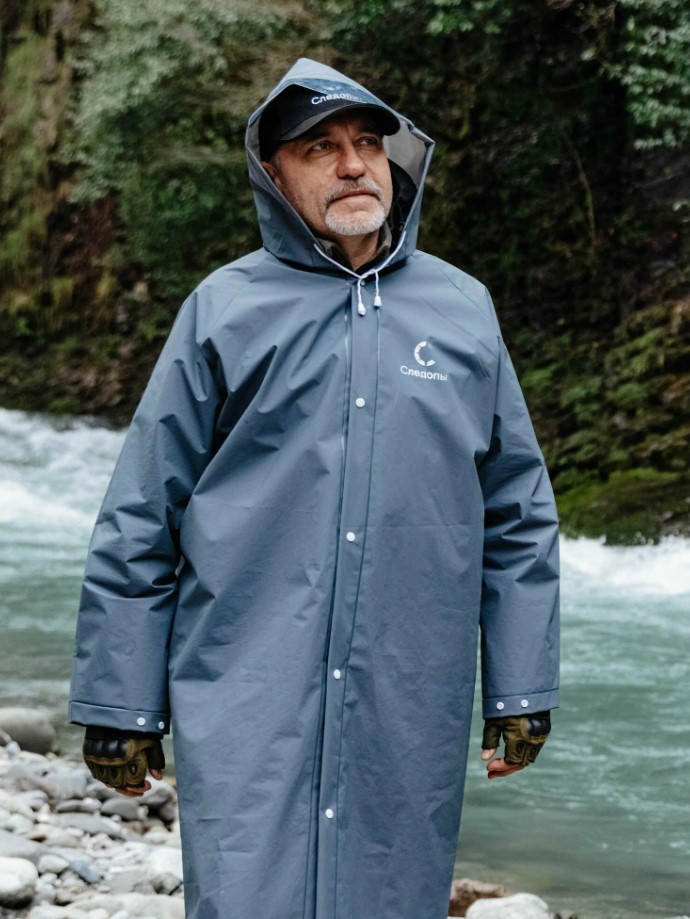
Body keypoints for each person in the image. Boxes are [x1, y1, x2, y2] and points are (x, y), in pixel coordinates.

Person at [69, 58, 560, 919]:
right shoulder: (222, 309)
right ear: (274, 173)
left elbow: (516, 514)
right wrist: (120, 700)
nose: (353, 164)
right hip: (244, 680)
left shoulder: (463, 308)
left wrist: (522, 687)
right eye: (320, 148)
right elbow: (144, 511)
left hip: (409, 688)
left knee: (392, 891)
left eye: (367, 143)